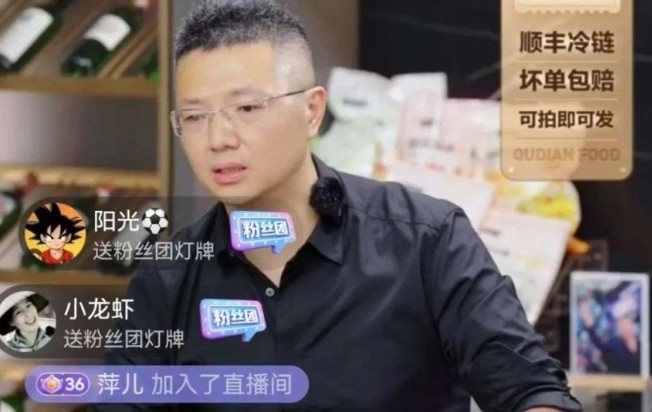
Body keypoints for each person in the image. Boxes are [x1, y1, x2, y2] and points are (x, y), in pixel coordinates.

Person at [91, 1, 582, 411]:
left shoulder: (427, 241)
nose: (218, 138)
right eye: (195, 117)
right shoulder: (168, 279)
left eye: (247, 108)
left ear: (312, 111)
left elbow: (531, 391)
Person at [578, 288, 642, 375]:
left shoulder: (642, 344)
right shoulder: (615, 344)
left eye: (626, 325)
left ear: (632, 325)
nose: (625, 329)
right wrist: (589, 325)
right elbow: (599, 343)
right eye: (621, 327)